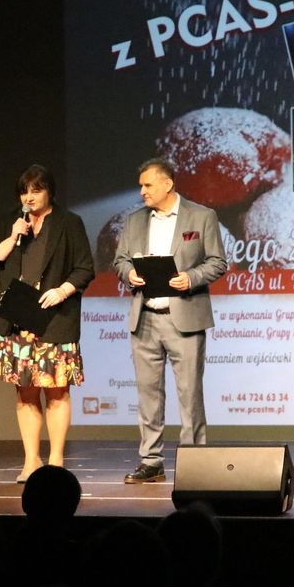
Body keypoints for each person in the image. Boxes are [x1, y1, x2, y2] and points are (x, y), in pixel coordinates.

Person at [112, 158, 227, 484]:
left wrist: (190, 278)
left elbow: (218, 262)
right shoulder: (134, 221)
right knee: (148, 394)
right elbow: (120, 260)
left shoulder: (201, 216)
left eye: (147, 185)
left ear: (168, 184)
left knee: (190, 395)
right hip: (146, 317)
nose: (142, 191)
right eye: (141, 185)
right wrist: (129, 273)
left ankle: (195, 461)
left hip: (185, 318)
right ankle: (151, 461)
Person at [0, 164, 95, 483]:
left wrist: (63, 290)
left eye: (36, 190)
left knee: (57, 390)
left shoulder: (69, 222)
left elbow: (85, 268)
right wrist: (12, 236)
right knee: (25, 392)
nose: (29, 197)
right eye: (24, 192)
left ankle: (56, 460)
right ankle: (31, 460)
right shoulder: (11, 221)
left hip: (54, 317)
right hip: (17, 319)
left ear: (50, 192)